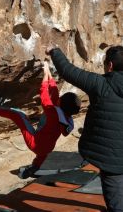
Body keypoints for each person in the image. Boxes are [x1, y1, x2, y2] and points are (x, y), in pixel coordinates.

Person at [46, 45, 123, 212]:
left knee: (116, 202)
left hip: (113, 159)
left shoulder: (101, 84)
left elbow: (68, 71)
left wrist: (54, 51)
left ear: (109, 65)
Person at [0, 61, 81, 179]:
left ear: (61, 102)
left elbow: (44, 96)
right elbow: (54, 95)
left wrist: (45, 76)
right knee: (43, 152)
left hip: (34, 142)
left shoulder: (54, 112)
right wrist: (48, 73)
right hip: (47, 147)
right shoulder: (67, 119)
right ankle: (35, 167)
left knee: (19, 115)